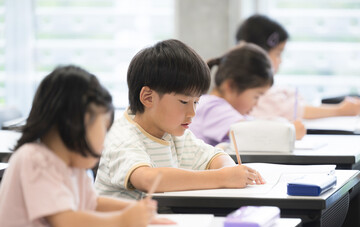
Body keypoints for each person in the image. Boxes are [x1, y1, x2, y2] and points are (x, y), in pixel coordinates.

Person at [0, 65, 167, 227]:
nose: (106, 138)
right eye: (105, 127)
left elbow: (92, 203)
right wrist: (124, 219)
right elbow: (68, 224)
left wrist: (134, 209)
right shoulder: (35, 159)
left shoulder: (74, 165)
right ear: (78, 121)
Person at [94, 39, 264, 200]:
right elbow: (148, 180)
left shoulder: (174, 134)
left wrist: (229, 171)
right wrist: (221, 177)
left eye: (196, 102)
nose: (192, 112)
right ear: (148, 97)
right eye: (184, 101)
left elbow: (215, 157)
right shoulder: (121, 137)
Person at [235, 14, 360, 120]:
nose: (280, 61)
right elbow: (293, 110)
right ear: (258, 53)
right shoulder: (250, 92)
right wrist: (340, 110)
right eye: (278, 53)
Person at [189, 43, 305, 147]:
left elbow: (253, 123)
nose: (256, 103)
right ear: (230, 86)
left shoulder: (218, 107)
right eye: (256, 96)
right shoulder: (212, 107)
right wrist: (290, 131)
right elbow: (249, 134)